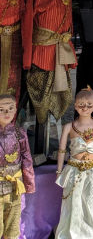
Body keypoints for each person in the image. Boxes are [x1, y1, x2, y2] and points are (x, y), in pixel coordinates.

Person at [55, 86, 93, 239]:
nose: (85, 108)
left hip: (92, 169)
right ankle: (72, 232)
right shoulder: (69, 127)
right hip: (74, 169)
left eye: (89, 105)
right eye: (81, 105)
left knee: (90, 199)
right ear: (75, 106)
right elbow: (61, 151)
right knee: (73, 201)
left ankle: (88, 229)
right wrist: (59, 170)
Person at [0, 94, 35, 239]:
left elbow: (27, 159)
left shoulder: (20, 133)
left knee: (13, 226)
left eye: (10, 108)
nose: (6, 112)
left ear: (15, 110)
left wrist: (29, 183)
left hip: (15, 187)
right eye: (1, 109)